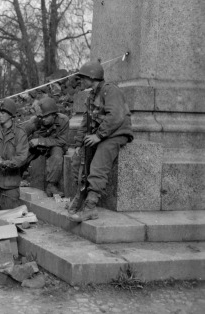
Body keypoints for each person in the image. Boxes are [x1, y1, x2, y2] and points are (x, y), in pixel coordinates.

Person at [68, 61, 133, 222]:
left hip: (117, 132)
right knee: (80, 160)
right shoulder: (92, 95)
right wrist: (78, 144)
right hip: (102, 133)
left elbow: (116, 116)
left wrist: (98, 136)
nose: (81, 81)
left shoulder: (110, 91)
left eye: (83, 78)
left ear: (92, 77)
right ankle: (80, 196)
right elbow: (86, 121)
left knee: (99, 163)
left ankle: (90, 206)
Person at [23, 97, 69, 197]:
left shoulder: (63, 120)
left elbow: (62, 141)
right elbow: (21, 136)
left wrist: (40, 141)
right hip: (37, 147)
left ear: (54, 114)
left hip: (54, 146)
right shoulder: (35, 121)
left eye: (46, 117)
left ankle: (51, 185)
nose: (42, 119)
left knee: (57, 154)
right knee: (23, 153)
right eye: (41, 117)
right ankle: (18, 176)